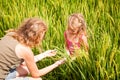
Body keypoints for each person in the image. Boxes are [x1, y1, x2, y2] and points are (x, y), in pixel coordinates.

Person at [0, 17, 66, 80]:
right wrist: (56, 64)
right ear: (35, 37)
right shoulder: (25, 49)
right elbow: (36, 74)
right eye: (42, 36)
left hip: (3, 71)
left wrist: (45, 54)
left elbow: (25, 63)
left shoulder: (12, 34)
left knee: (26, 69)